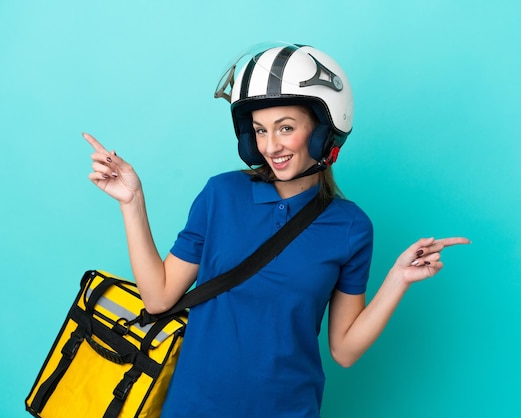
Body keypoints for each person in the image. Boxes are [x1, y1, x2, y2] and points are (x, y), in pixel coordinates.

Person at [83, 42, 470, 418]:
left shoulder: (351, 227)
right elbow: (158, 297)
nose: (270, 145)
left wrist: (397, 280)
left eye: (285, 128)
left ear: (324, 133)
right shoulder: (221, 194)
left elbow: (345, 350)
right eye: (260, 130)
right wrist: (132, 202)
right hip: (194, 407)